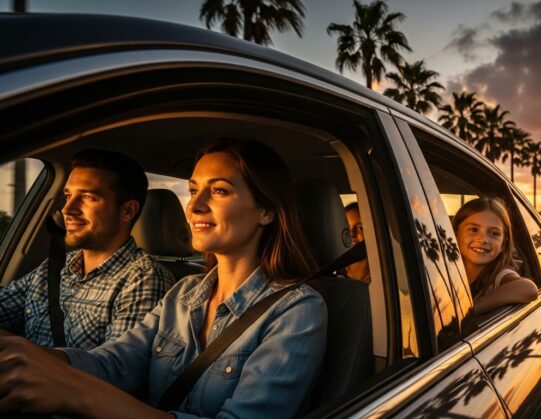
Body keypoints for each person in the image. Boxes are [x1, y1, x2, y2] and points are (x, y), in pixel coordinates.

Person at [0, 139, 328, 418]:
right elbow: (114, 363)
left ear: (266, 211)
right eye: (194, 190)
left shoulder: (297, 310)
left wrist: (77, 393)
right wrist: (27, 357)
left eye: (218, 191)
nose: (194, 205)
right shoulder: (182, 294)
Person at [0, 149, 174, 349]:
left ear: (127, 211)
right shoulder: (53, 267)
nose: (67, 209)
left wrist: (20, 357)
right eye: (68, 196)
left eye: (88, 197)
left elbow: (111, 370)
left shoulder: (143, 278)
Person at [452, 197, 538, 315]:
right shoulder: (445, 271)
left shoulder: (499, 276)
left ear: (503, 244)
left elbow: (529, 288)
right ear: (455, 234)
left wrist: (471, 311)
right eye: (473, 229)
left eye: (494, 233)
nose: (483, 240)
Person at [344, 202, 370, 283]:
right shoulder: (335, 275)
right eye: (346, 227)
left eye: (360, 228)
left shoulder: (382, 275)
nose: (352, 234)